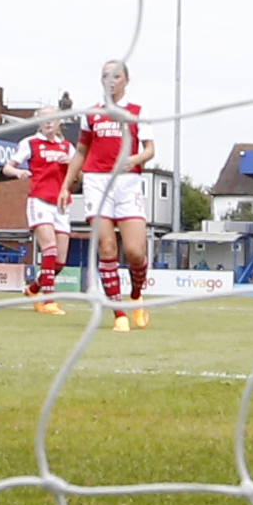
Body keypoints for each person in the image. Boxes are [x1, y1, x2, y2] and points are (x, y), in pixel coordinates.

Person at [68, 61, 157, 331]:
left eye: (116, 76)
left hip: (128, 183)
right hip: (97, 182)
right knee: (107, 247)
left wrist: (136, 158)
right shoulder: (91, 114)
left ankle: (136, 295)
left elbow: (150, 150)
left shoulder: (137, 112)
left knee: (134, 252)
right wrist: (66, 185)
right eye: (106, 76)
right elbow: (81, 152)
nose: (111, 80)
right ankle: (118, 313)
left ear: (126, 80)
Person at [4, 111, 75, 314]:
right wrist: (18, 172)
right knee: (49, 249)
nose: (48, 122)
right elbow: (7, 167)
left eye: (52, 118)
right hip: (40, 201)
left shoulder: (67, 146)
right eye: (43, 119)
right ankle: (49, 301)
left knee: (59, 262)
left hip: (61, 204)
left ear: (59, 122)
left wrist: (69, 163)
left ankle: (34, 289)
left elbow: (78, 175)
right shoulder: (31, 143)